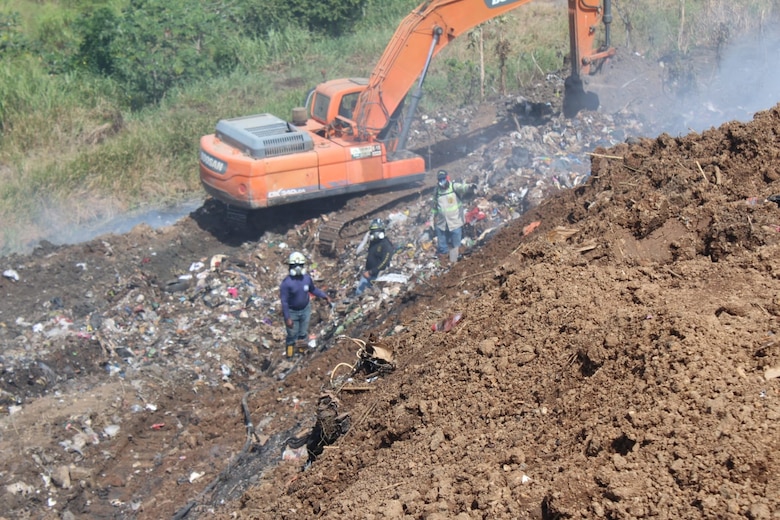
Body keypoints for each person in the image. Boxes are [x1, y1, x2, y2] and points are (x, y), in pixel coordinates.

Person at [279, 251, 332, 358]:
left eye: (300, 265)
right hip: (292, 312)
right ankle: (290, 355)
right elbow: (284, 301)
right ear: (290, 266)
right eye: (295, 265)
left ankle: (301, 353)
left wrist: (324, 296)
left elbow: (313, 289)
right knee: (292, 335)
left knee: (303, 333)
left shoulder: (306, 279)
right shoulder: (286, 283)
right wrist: (287, 317)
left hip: (305, 309)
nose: (298, 268)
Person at [431, 169, 476, 264]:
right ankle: (444, 260)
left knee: (456, 244)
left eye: (443, 179)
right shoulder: (437, 191)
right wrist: (433, 218)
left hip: (455, 221)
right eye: (440, 179)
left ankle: (455, 260)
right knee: (442, 243)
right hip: (442, 222)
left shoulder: (453, 186)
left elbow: (462, 188)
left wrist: (470, 187)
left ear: (447, 178)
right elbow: (434, 206)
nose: (442, 181)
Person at [355, 219, 394, 296]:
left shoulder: (386, 245)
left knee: (373, 294)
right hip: (368, 273)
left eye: (377, 231)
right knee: (358, 293)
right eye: (373, 232)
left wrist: (371, 272)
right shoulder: (373, 243)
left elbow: (385, 262)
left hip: (377, 275)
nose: (375, 234)